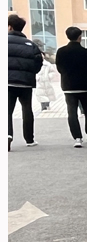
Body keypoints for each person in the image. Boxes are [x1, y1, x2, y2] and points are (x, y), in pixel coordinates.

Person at [56, 26, 87, 148]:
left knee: (72, 112)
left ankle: (77, 138)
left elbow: (59, 68)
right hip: (85, 86)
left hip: (68, 86)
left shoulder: (61, 51)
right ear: (80, 37)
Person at [8, 14, 44, 150]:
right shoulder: (31, 45)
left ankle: (7, 135)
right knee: (27, 109)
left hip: (7, 83)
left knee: (6, 111)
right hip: (25, 83)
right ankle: (29, 139)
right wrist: (30, 74)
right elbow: (38, 62)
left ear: (10, 27)